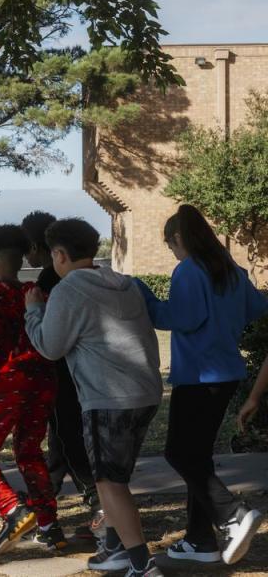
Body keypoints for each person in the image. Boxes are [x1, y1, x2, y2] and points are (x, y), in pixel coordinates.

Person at [24, 219, 164, 577]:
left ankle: (141, 564)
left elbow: (50, 347)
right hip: (145, 392)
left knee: (109, 482)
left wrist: (34, 310)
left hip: (107, 397)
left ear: (59, 255)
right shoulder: (123, 283)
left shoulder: (69, 289)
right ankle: (115, 548)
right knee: (113, 476)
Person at [135, 204, 268, 566]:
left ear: (179, 238)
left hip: (198, 377)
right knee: (198, 458)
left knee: (179, 454)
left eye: (170, 246)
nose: (172, 253)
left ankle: (234, 514)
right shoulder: (230, 269)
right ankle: (200, 540)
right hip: (226, 376)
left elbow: (179, 318)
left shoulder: (189, 271)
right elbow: (258, 307)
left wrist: (142, 294)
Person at [0, 225, 62, 554]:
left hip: (8, 382)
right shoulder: (35, 291)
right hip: (43, 380)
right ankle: (49, 526)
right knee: (30, 452)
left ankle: (12, 510)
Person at [21, 210, 102, 539]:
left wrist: (31, 312)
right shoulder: (88, 277)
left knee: (69, 439)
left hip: (64, 374)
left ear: (40, 248)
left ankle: (98, 502)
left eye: (28, 248)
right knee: (59, 441)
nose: (26, 255)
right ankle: (44, 501)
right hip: (77, 373)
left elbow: (49, 338)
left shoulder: (49, 281)